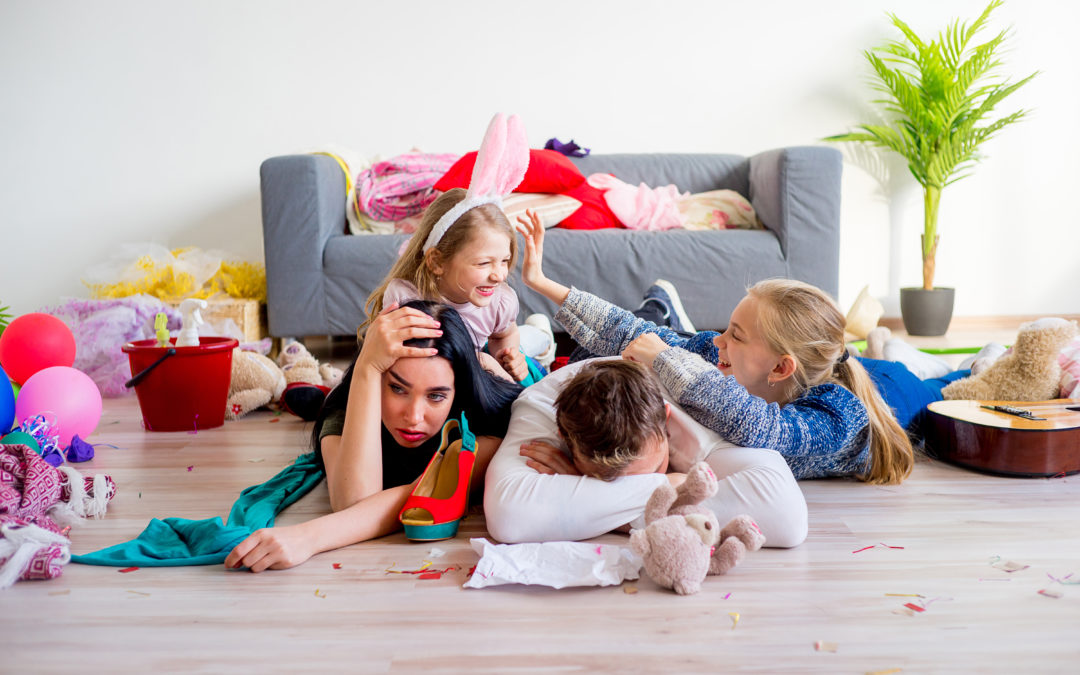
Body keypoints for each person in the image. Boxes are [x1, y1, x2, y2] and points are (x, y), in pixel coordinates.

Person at [515, 211, 915, 485]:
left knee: (943, 385)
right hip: (824, 368)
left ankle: (906, 353)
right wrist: (542, 282)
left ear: (780, 368)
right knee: (671, 340)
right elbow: (633, 333)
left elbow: (762, 428)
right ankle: (883, 344)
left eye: (736, 335)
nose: (718, 340)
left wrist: (666, 358)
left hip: (896, 390)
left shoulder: (838, 414)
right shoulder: (719, 356)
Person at [224, 300, 523, 572]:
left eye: (435, 396)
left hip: (491, 374)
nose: (414, 417)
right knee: (332, 397)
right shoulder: (342, 412)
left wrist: (307, 537)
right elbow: (354, 501)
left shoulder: (486, 425)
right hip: (355, 385)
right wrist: (367, 365)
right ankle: (329, 384)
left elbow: (416, 494)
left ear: (457, 393)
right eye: (397, 388)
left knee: (495, 364)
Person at [484, 357, 808, 547]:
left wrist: (592, 501)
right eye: (605, 480)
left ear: (666, 419)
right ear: (563, 439)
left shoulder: (686, 410)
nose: (645, 482)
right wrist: (669, 485)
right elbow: (508, 519)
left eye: (655, 469)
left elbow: (788, 518)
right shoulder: (539, 407)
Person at [363, 114, 555, 384]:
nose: (499, 275)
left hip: (481, 353)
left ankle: (544, 338)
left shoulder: (500, 300)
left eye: (504, 261)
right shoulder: (406, 298)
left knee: (528, 342)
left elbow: (503, 336)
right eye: (483, 263)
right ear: (437, 262)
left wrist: (509, 357)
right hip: (461, 362)